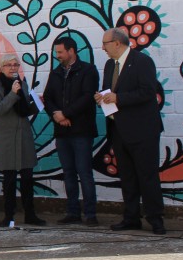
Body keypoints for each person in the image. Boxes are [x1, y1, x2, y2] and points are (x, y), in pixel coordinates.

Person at [95, 27, 166, 235]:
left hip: (143, 129)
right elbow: (110, 90)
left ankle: (155, 218)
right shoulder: (110, 65)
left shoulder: (142, 61)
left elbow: (147, 91)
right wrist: (102, 97)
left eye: (105, 44)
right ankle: (131, 217)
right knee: (127, 176)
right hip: (119, 129)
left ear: (117, 43)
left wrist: (119, 98)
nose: (103, 48)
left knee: (147, 175)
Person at [44, 36, 101, 226]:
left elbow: (87, 98)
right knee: (68, 172)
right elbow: (48, 98)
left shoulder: (88, 70)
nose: (57, 55)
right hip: (62, 132)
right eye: (56, 52)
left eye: (60, 52)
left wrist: (66, 114)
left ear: (71, 51)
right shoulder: (55, 73)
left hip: (82, 131)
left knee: (84, 172)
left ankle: (90, 214)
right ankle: (72, 211)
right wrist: (56, 115)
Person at [0, 53, 46, 228]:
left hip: (23, 136)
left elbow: (24, 111)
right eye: (9, 65)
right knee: (9, 180)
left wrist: (36, 104)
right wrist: (13, 93)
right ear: (1, 68)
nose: (13, 68)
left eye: (16, 65)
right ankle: (9, 216)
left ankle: (30, 214)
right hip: (6, 138)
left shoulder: (23, 84)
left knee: (28, 178)